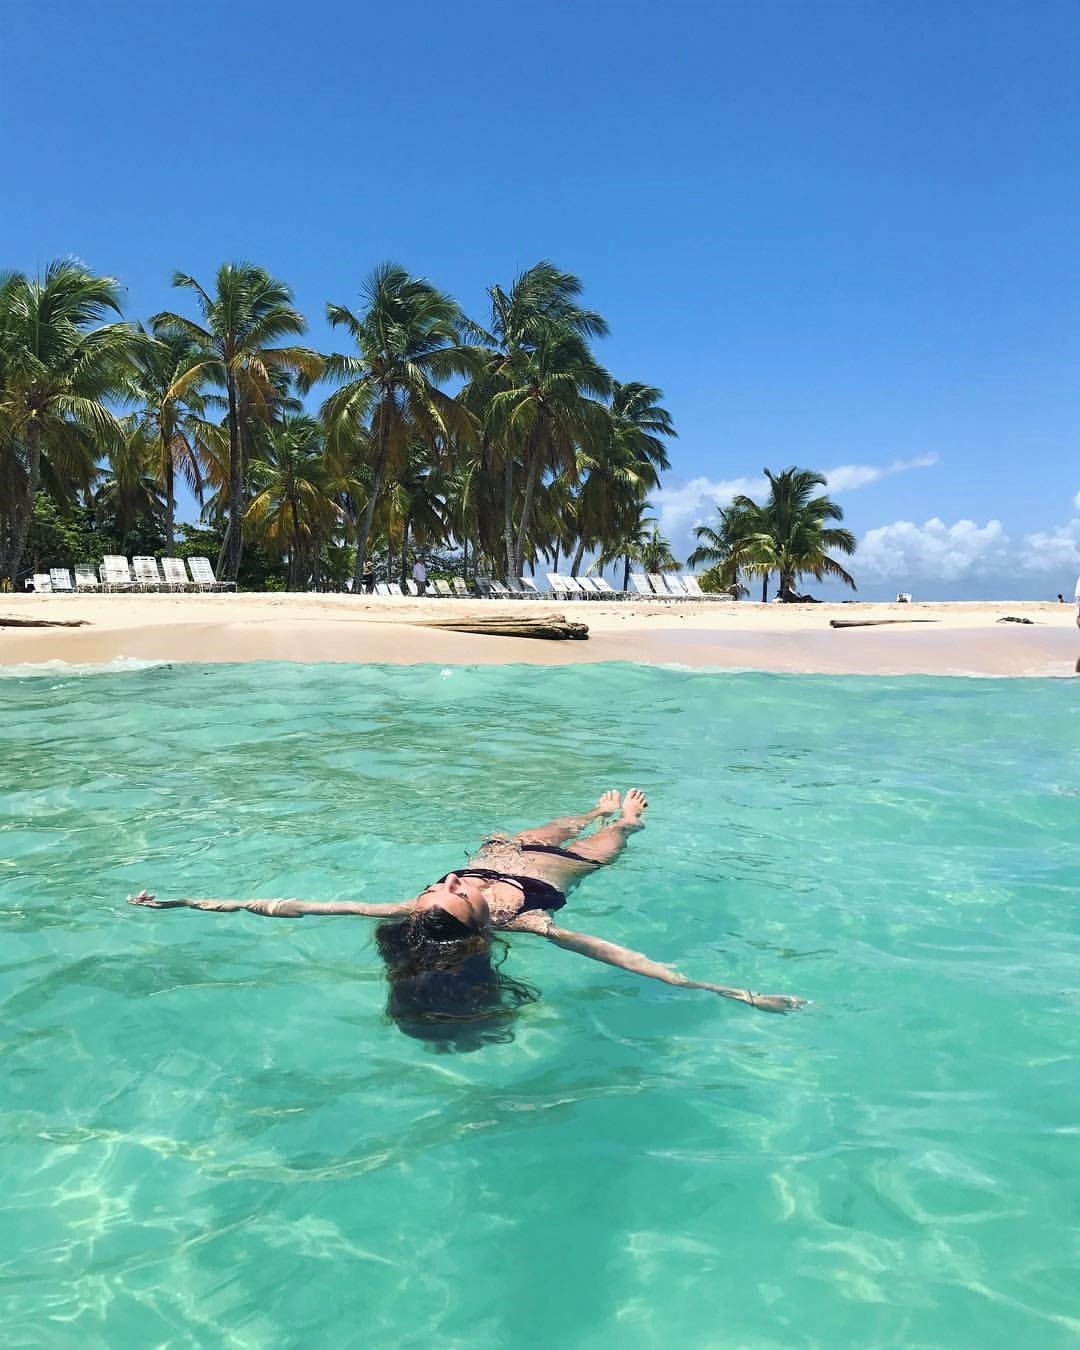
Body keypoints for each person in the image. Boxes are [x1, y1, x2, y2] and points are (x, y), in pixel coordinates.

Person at [129, 789, 804, 1050]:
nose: (450, 881)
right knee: (602, 840)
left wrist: (189, 900)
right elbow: (621, 956)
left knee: (550, 823)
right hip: (562, 870)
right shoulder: (525, 924)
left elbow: (295, 906)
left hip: (507, 846)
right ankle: (623, 816)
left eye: (438, 887)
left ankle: (589, 807)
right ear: (481, 927)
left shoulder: (419, 910)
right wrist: (728, 993)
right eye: (456, 891)